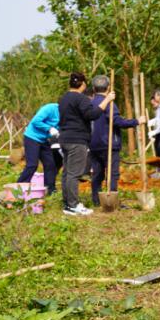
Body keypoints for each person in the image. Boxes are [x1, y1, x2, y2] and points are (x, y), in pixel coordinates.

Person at [58, 72, 115, 216]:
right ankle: (73, 205)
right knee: (74, 173)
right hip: (77, 140)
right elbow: (92, 115)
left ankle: (67, 203)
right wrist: (107, 100)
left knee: (67, 173)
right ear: (82, 84)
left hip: (64, 138)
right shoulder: (81, 98)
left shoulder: (63, 98)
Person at [88, 75, 144, 207]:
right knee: (112, 173)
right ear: (108, 88)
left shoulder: (89, 104)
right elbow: (117, 121)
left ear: (94, 89)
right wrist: (136, 121)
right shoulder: (109, 104)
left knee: (97, 173)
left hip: (93, 144)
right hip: (109, 144)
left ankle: (96, 200)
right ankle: (111, 200)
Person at [16, 102, 62, 193]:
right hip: (32, 137)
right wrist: (49, 128)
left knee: (50, 164)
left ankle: (50, 189)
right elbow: (36, 121)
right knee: (32, 165)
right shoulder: (50, 108)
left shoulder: (67, 114)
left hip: (44, 140)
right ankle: (19, 188)